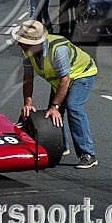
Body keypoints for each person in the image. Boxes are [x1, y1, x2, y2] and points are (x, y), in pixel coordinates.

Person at [13, 20, 99, 168]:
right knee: (51, 114)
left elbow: (65, 80)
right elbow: (28, 77)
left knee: (73, 106)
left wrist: (55, 106)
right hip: (60, 80)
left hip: (82, 74)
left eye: (23, 42)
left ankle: (88, 154)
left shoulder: (58, 50)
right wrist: (28, 103)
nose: (18, 44)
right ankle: (61, 145)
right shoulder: (27, 51)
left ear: (35, 43)